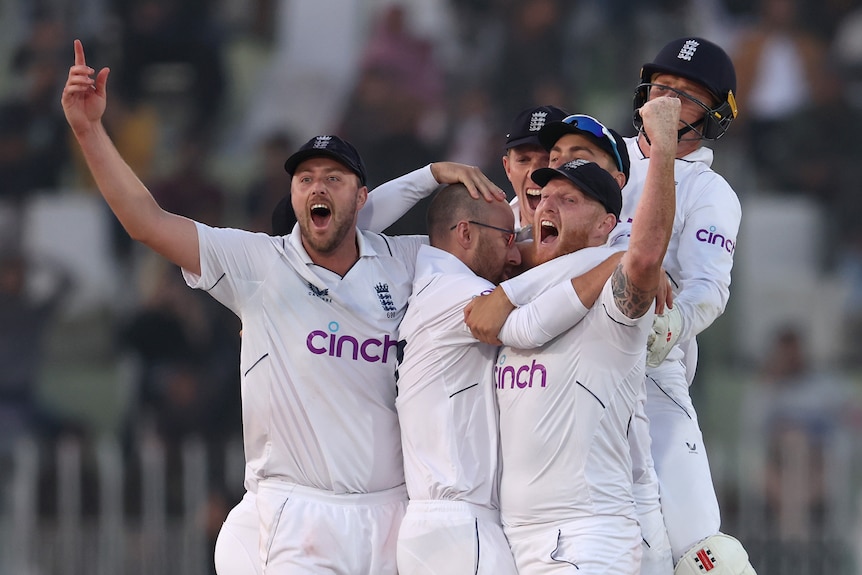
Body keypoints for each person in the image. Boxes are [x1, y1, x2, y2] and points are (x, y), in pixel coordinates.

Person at [60, 39, 500, 575]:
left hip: (391, 516)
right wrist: (89, 130)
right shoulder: (259, 265)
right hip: (298, 514)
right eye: (305, 178)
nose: (317, 186)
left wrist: (436, 177)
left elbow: (494, 249)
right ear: (292, 194)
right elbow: (145, 221)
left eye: (333, 178)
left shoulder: (405, 261)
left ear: (361, 199)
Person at [462, 95, 680, 574]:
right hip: (512, 537)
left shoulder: (612, 301)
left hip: (588, 532)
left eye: (569, 198)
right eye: (543, 195)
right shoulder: (516, 286)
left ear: (607, 224)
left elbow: (642, 259)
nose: (547, 205)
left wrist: (662, 151)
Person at [624, 37, 755, 573]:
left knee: (707, 557)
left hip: (652, 370)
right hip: (563, 361)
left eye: (687, 96)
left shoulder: (710, 191)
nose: (668, 101)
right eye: (662, 88)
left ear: (716, 116)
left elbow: (708, 288)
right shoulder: (597, 155)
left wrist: (671, 325)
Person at [501, 104, 569, 235]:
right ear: (508, 168)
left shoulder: (604, 235)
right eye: (523, 160)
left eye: (549, 159)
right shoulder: (488, 235)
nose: (533, 173)